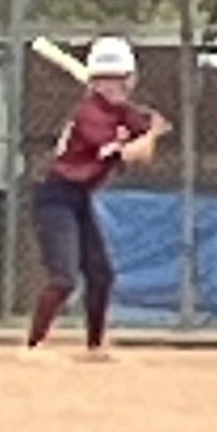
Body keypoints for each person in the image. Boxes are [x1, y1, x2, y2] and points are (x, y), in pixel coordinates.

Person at [23, 36, 171, 360]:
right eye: (104, 80)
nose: (111, 87)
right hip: (56, 196)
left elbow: (142, 142)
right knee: (63, 277)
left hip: (80, 198)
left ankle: (95, 345)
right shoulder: (90, 115)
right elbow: (130, 155)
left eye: (117, 80)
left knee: (100, 274)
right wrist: (152, 135)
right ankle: (34, 345)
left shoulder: (120, 112)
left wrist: (150, 126)